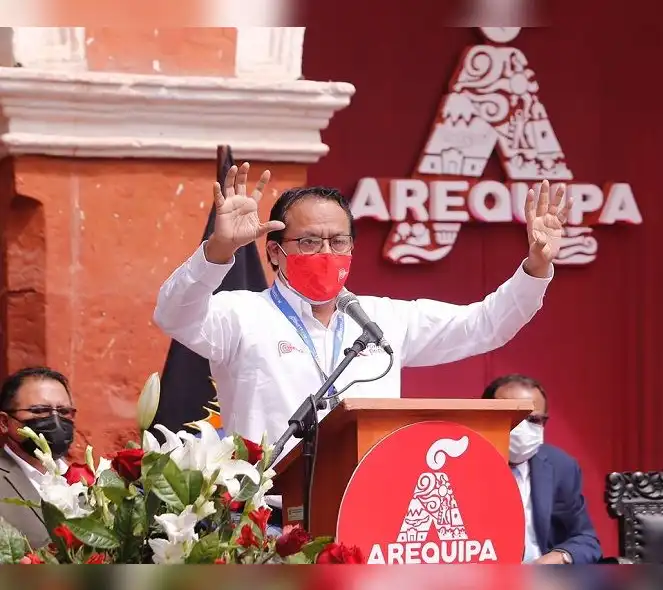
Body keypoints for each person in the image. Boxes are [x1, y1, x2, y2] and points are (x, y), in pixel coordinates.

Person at [153, 162, 571, 456]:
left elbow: (485, 326)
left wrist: (536, 266)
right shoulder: (240, 314)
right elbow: (173, 315)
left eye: (339, 241)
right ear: (276, 252)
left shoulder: (380, 319)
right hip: (269, 520)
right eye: (310, 242)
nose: (327, 252)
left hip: (366, 511)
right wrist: (218, 250)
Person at [483, 374, 601, 564]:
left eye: (534, 420)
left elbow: (586, 540)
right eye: (513, 418)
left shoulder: (561, 467)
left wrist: (561, 556)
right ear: (485, 417)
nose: (522, 428)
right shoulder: (459, 467)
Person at [0, 367, 76, 549]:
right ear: (4, 422)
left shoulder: (86, 482)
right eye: (40, 411)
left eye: (64, 412)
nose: (55, 421)